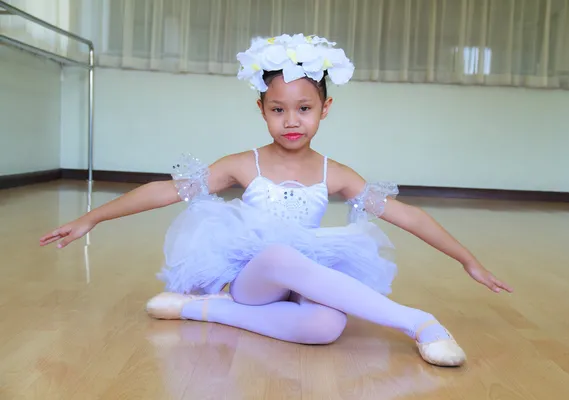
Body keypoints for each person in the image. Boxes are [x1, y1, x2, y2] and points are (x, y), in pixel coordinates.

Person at [39, 34, 512, 367]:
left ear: (324, 110)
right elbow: (166, 191)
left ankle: (198, 309)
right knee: (280, 253)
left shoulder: (336, 174)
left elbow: (407, 216)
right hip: (252, 275)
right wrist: (92, 217)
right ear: (262, 110)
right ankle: (419, 323)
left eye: (304, 109)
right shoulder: (243, 164)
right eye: (278, 109)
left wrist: (467, 260)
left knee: (327, 327)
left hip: (299, 272)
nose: (291, 121)